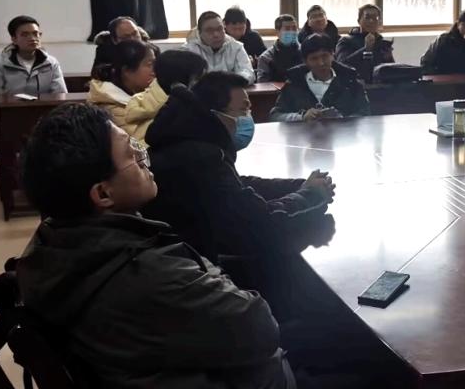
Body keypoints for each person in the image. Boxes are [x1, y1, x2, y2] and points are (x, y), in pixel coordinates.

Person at [16, 104, 450, 389]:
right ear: (102, 193)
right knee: (378, 388)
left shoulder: (59, 247)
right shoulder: (142, 274)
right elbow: (258, 329)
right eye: (130, 154)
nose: (143, 154)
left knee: (334, 334)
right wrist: (220, 280)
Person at [144, 71, 336, 268]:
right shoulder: (200, 158)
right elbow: (261, 224)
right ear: (214, 114)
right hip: (195, 267)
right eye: (243, 110)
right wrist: (310, 194)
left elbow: (237, 186)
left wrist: (298, 186)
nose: (247, 118)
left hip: (188, 255)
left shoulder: (187, 143)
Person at [270, 35, 370, 122]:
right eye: (314, 58)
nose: (321, 63)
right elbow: (275, 115)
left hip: (342, 135)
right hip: (304, 135)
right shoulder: (294, 83)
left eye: (325, 56)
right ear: (305, 61)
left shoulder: (350, 81)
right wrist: (302, 117)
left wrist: (342, 119)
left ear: (333, 54)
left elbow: (365, 113)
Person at [0, 15, 66, 114]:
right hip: (12, 118)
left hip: (47, 117)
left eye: (36, 34)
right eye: (25, 35)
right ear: (14, 39)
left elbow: (60, 95)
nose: (32, 38)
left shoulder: (51, 63)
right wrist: (7, 117)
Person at [123, 48, 207, 146]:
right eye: (198, 79)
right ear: (182, 82)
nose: (203, 84)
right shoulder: (180, 110)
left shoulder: (140, 101)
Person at [87, 40, 158, 129]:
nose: (155, 71)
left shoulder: (143, 91)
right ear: (126, 71)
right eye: (149, 65)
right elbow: (142, 136)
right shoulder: (111, 107)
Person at [185, 11, 255, 84]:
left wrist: (228, 81)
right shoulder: (188, 51)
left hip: (229, 89)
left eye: (219, 29)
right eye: (209, 30)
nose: (216, 34)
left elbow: (248, 73)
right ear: (200, 33)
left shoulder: (236, 47)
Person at [334, 4, 394, 77]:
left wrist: (389, 58)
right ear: (359, 21)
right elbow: (342, 64)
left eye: (375, 18)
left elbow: (391, 71)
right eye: (367, 17)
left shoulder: (381, 43)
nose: (371, 21)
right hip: (355, 81)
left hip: (379, 82)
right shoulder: (346, 41)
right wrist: (366, 49)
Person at [256, 14, 303, 82]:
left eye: (294, 28)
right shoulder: (266, 58)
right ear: (277, 32)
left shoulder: (306, 52)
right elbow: (262, 83)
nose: (292, 31)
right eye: (287, 29)